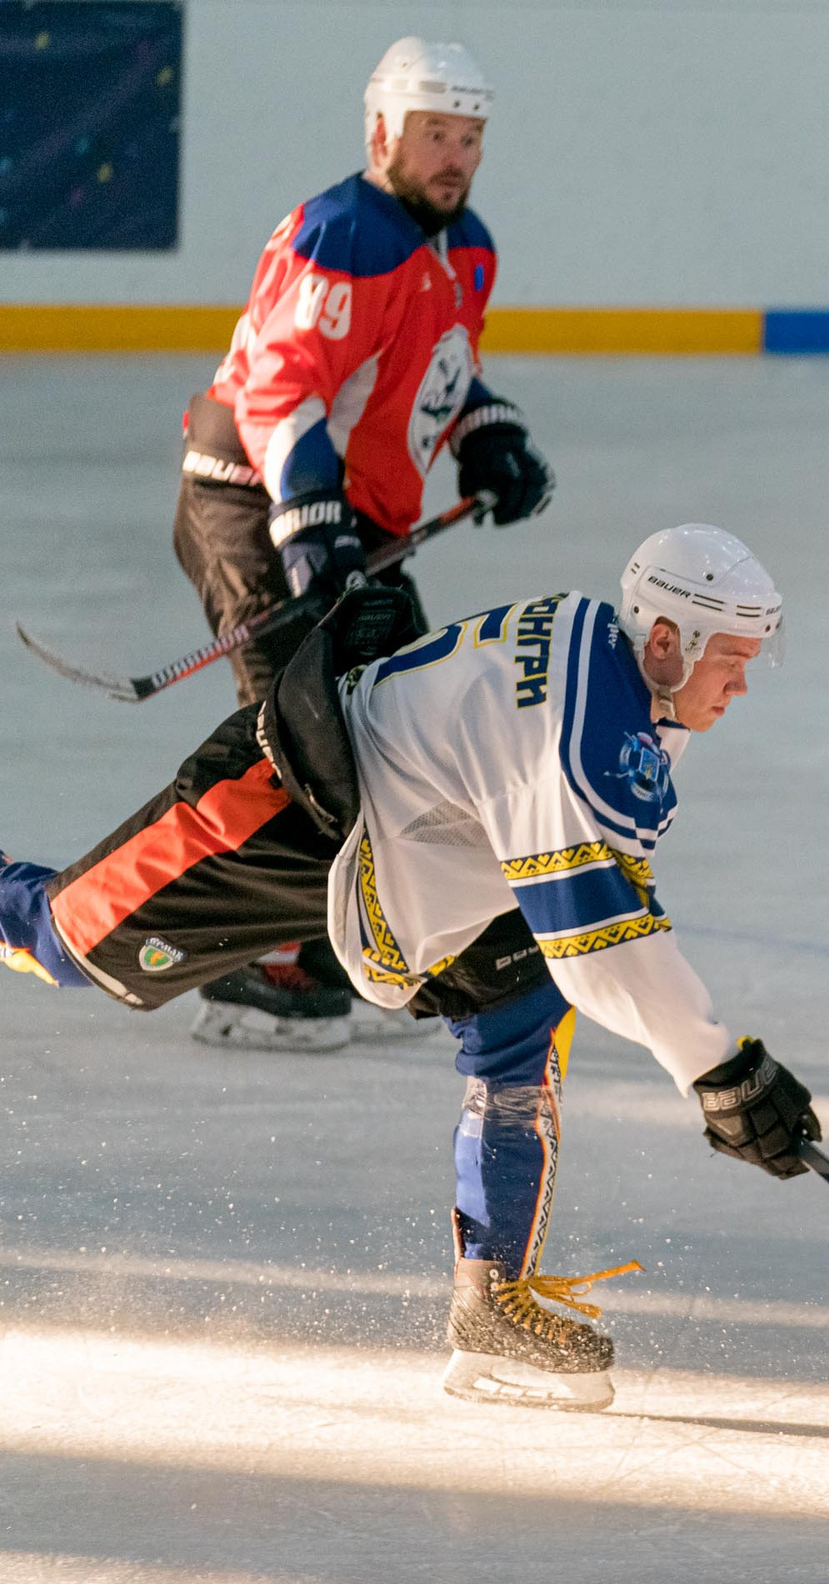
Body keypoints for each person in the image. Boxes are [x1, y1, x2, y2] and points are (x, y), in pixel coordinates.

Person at [0, 526, 819, 1413]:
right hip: (287, 807)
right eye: (733, 660)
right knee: (57, 936)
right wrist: (719, 1068)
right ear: (666, 639)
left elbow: (603, 916)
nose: (743, 683)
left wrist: (713, 1060)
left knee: (525, 1004)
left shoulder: (636, 688)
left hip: (411, 840)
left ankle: (491, 1302)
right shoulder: (584, 728)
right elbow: (601, 946)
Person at [175, 35, 554, 1051]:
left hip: (349, 525)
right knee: (301, 736)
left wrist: (489, 438)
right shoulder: (343, 233)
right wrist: (312, 535)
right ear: (383, 131)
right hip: (254, 507)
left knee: (410, 726)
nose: (455, 156)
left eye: (468, 137)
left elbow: (437, 372)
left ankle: (377, 948)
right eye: (435, 134)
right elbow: (280, 389)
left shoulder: (463, 243)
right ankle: (264, 966)